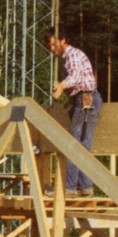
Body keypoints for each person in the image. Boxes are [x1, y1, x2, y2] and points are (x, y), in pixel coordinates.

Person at [47, 28, 103, 197]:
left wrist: (62, 86)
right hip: (88, 99)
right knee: (84, 145)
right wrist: (69, 99)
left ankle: (70, 188)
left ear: (63, 40)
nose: (52, 49)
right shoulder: (74, 55)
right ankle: (86, 187)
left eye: (53, 44)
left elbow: (76, 77)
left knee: (73, 144)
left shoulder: (71, 55)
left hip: (86, 100)